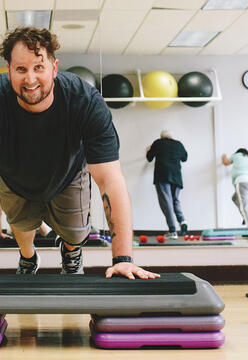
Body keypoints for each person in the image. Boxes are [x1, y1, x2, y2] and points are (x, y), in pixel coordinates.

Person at [0, 27, 158, 280]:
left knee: (75, 233)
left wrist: (123, 259)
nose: (30, 79)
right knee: (21, 226)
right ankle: (28, 257)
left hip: (68, 172)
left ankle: (71, 253)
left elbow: (111, 181)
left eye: (38, 67)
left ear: (54, 67)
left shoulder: (84, 101)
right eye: (21, 69)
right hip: (12, 174)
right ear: (9, 70)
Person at [146, 130, 188, 239]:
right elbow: (185, 158)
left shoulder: (158, 143)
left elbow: (149, 158)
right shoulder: (178, 144)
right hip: (176, 177)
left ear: (162, 136)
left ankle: (172, 230)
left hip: (162, 175)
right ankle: (183, 221)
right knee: (175, 200)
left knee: (166, 202)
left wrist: (148, 150)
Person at [222, 148, 248, 228]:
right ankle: (246, 215)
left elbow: (226, 162)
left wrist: (223, 156)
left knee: (243, 206)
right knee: (235, 198)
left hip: (242, 182)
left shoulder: (236, 155)